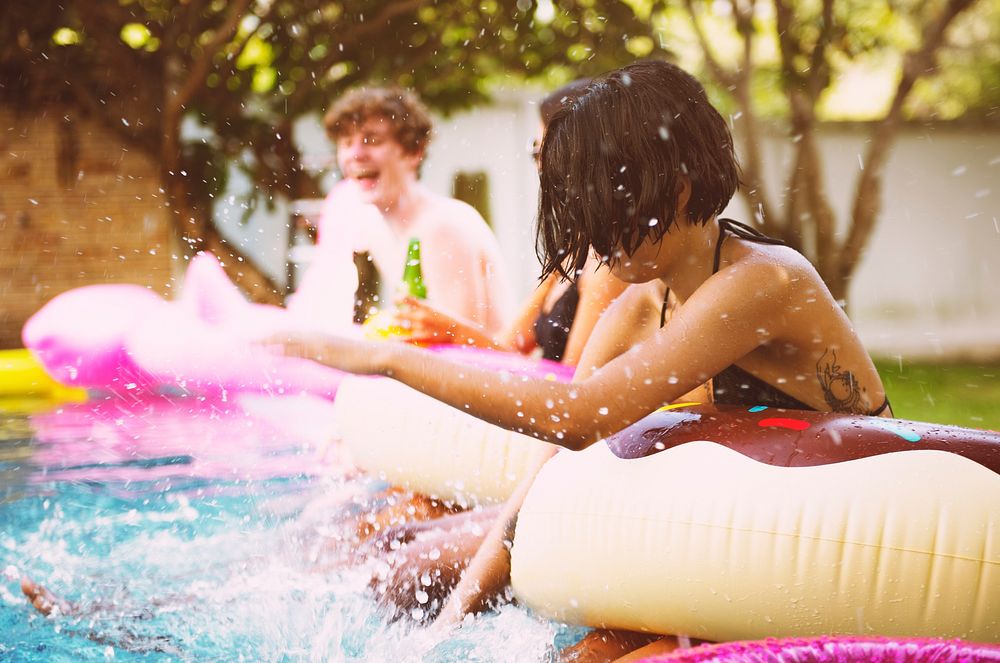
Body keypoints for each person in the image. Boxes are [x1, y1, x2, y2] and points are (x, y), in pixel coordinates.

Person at [272, 59, 893, 661]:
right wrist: (449, 624)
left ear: (675, 188)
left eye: (602, 214)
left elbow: (577, 416)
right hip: (728, 542)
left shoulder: (762, 282)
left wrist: (386, 359)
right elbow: (546, 467)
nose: (591, 242)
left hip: (838, 548)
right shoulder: (640, 300)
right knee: (455, 592)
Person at [288, 86, 515, 334]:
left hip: (488, 369)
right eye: (346, 142)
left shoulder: (443, 227)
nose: (355, 154)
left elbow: (463, 353)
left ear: (413, 151)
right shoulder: (373, 223)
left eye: (372, 140)